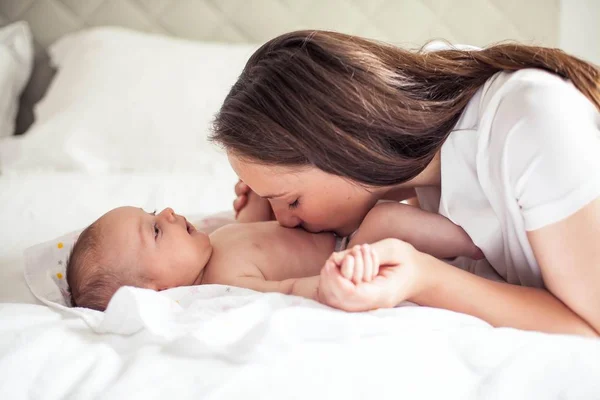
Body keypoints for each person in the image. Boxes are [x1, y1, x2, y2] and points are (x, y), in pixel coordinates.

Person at [210, 30, 600, 337]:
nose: (285, 222)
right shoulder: (429, 150)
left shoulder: (527, 123)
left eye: (292, 202)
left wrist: (424, 278)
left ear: (345, 142)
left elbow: (590, 329)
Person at [66, 192, 482, 311]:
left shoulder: (215, 242)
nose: (171, 212)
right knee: (387, 221)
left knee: (391, 213)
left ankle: (473, 226)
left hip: (338, 228)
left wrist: (256, 194)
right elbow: (284, 291)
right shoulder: (223, 284)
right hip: (349, 250)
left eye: (155, 211)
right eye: (156, 229)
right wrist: (330, 280)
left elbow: (256, 227)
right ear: (156, 291)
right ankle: (484, 243)